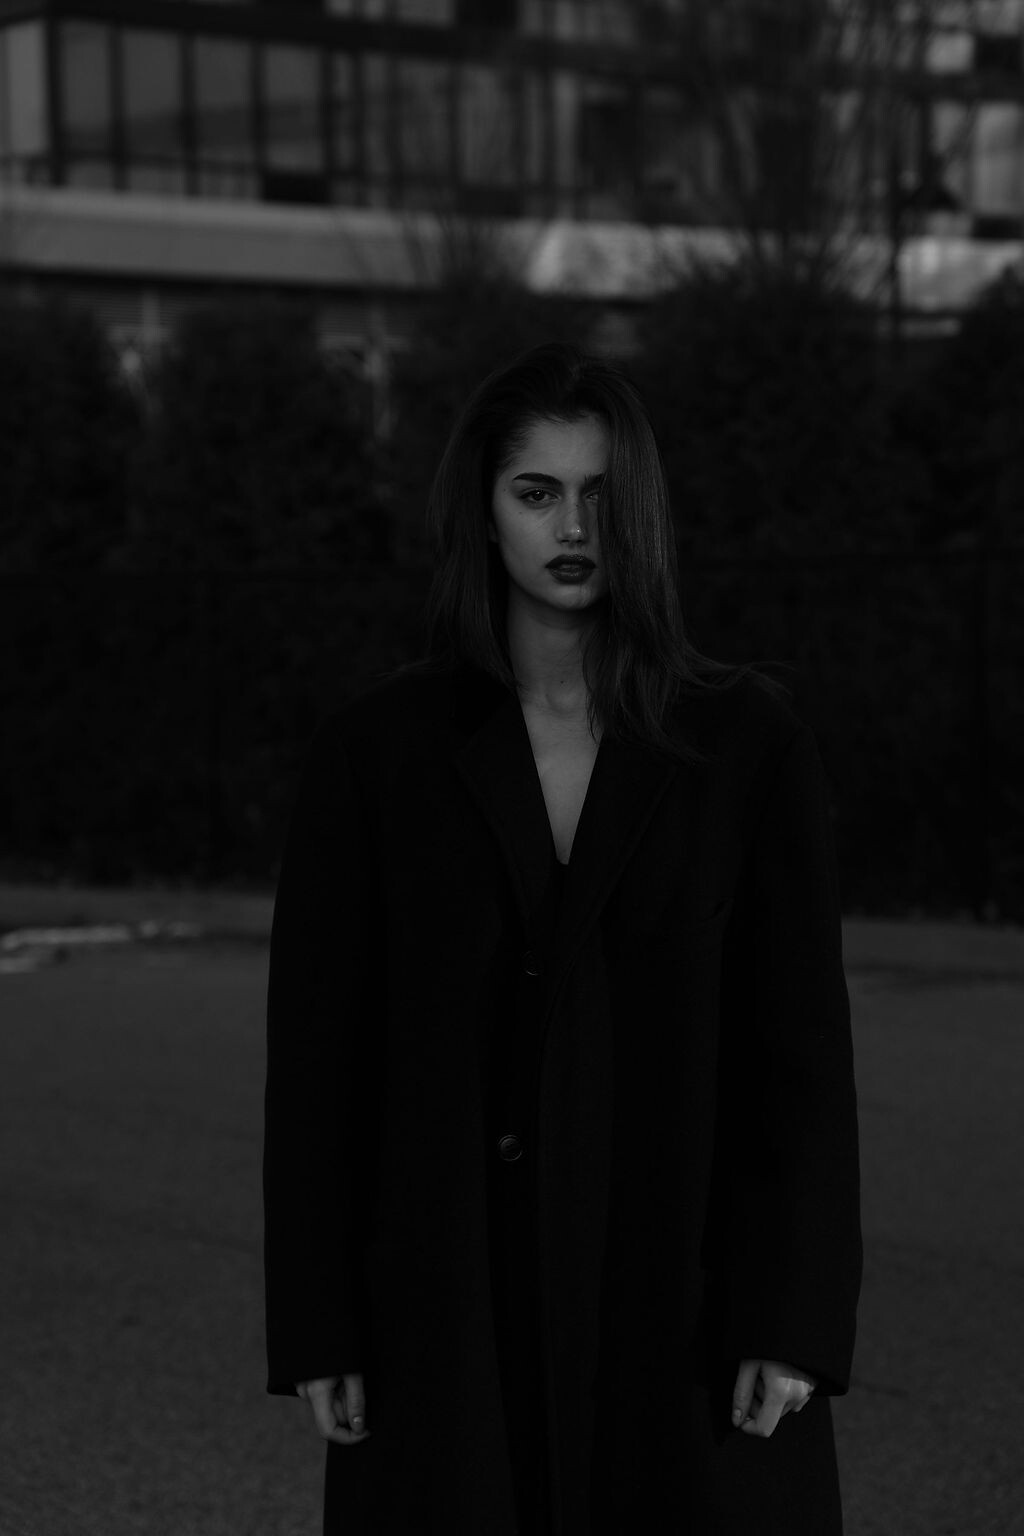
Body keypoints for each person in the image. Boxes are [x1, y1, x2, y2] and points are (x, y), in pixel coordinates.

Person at [263, 342, 862, 1535]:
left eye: (601, 493)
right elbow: (323, 1064)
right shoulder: (374, 756)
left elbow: (796, 1063)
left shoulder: (744, 747)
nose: (574, 526)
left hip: (683, 1316)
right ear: (483, 512)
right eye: (536, 492)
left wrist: (791, 1319)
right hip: (446, 1312)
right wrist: (321, 1326)